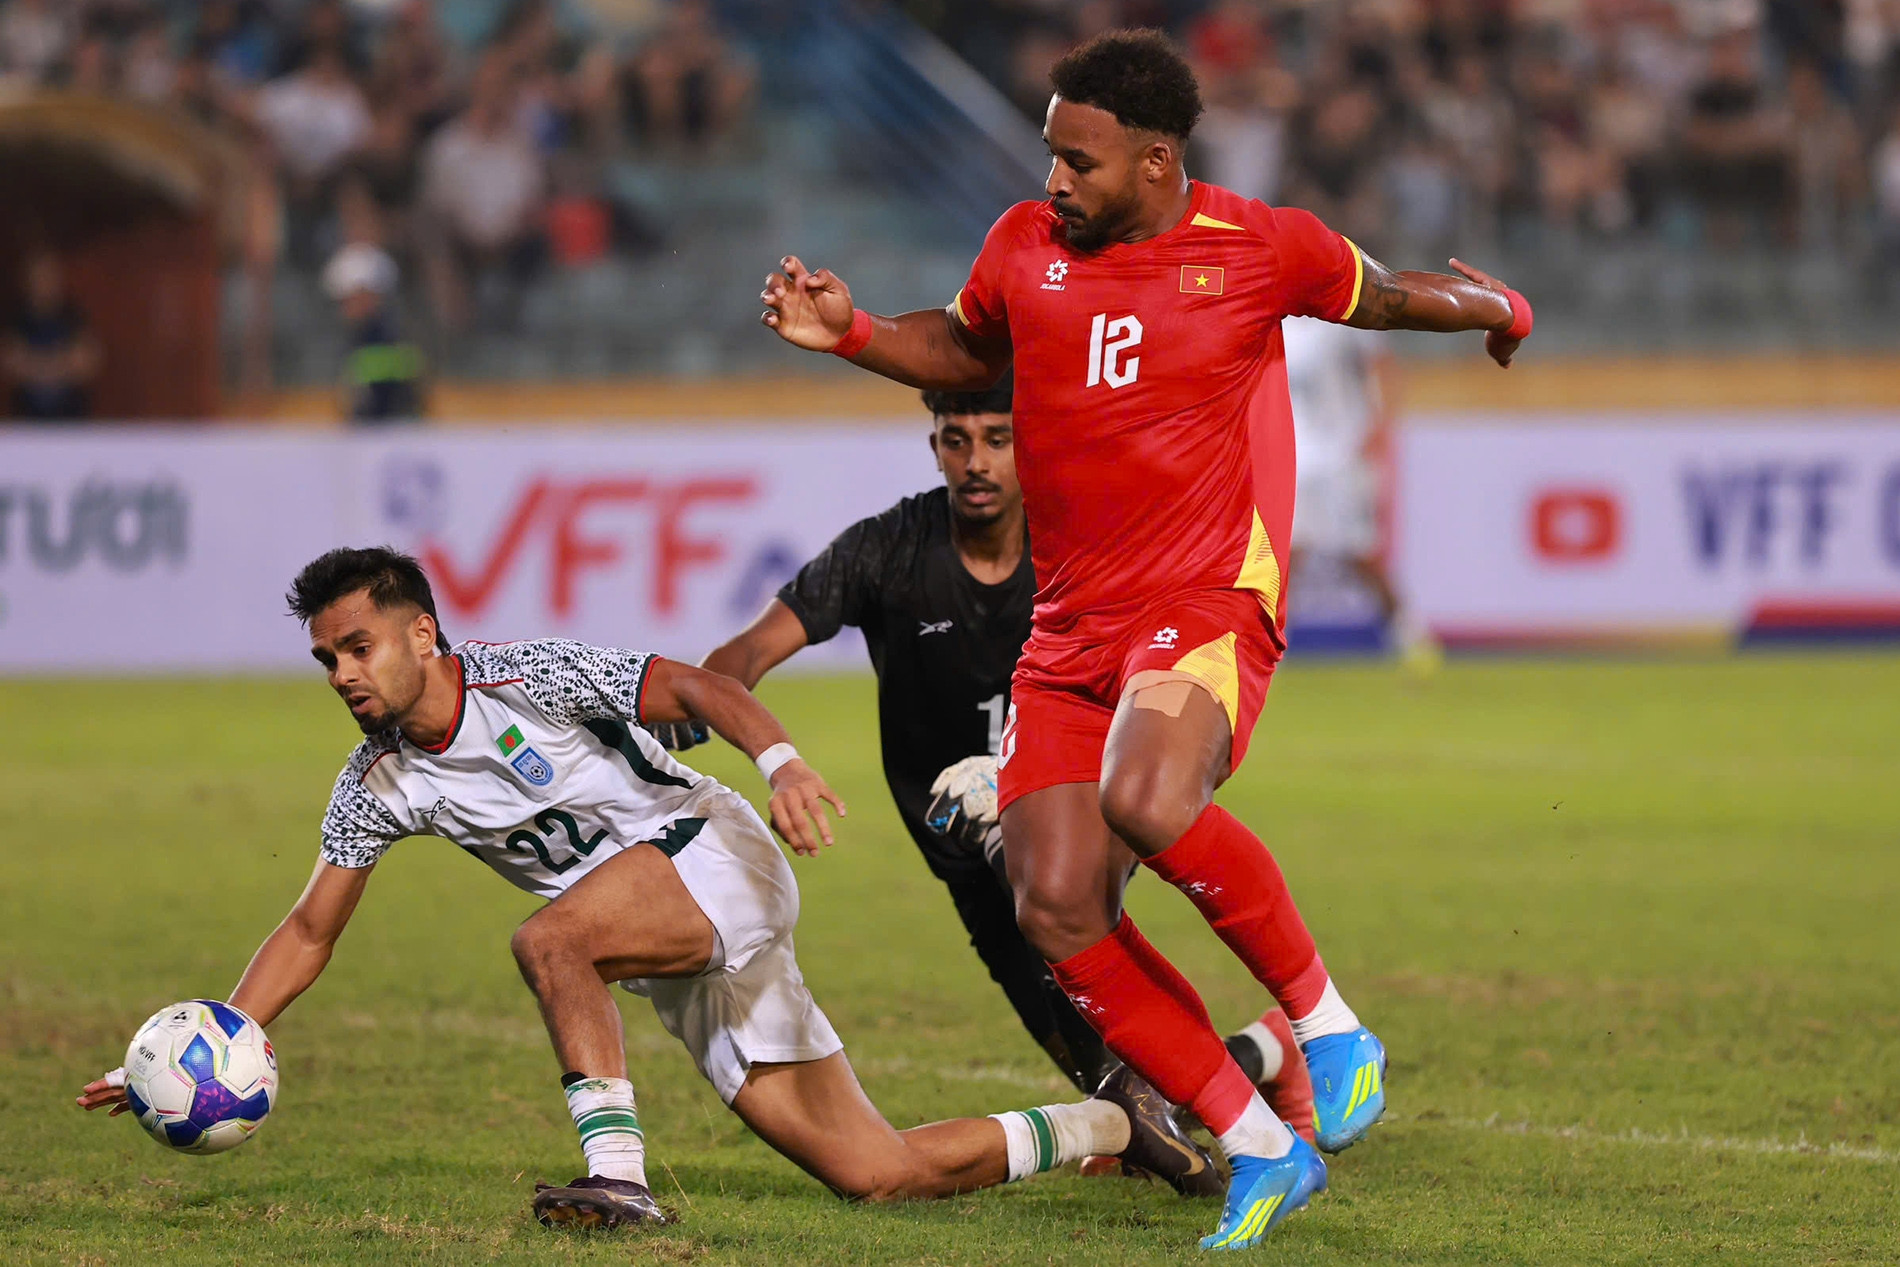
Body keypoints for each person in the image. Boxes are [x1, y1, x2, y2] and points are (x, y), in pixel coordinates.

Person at [758, 29, 1531, 1250]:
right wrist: (852, 330)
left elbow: (1386, 298)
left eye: (1078, 160)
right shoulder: (1023, 246)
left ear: (1157, 160)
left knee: (1147, 795)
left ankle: (1329, 1027)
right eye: (1050, 154)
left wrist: (1495, 302)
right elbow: (965, 350)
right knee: (1053, 899)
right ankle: (1263, 1145)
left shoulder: (1258, 244)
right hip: (1070, 622)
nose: (1052, 180)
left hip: (1207, 595)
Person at [76, 547, 1215, 1229]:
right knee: (876, 1173)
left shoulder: (535, 674)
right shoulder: (378, 781)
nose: (342, 675)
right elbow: (312, 926)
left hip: (710, 851)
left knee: (548, 941)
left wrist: (781, 764)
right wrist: (213, 1048)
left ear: (422, 633)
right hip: (659, 941)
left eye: (358, 647)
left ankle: (614, 1174)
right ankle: (1116, 1119)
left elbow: (694, 687)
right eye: (327, 659)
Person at [654, 373, 1315, 1165]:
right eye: (957, 439)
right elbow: (751, 650)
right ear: (934, 446)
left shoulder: (1081, 542)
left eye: (998, 439)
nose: (976, 461)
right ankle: (1270, 1053)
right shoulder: (887, 550)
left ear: (1029, 441)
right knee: (1132, 1105)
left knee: (1143, 1104)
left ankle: (1256, 1135)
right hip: (960, 852)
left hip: (1068, 814)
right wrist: (699, 702)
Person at [1280, 315, 1436, 666]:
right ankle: (1269, 646)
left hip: (1343, 453)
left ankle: (1408, 632)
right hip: (1296, 457)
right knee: (1287, 554)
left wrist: (1379, 426)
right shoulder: (1280, 325)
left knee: (1360, 554)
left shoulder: (1342, 321)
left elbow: (1381, 367)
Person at [4, 252, 101, 421]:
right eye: (38, 276)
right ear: (27, 280)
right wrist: (61, 365)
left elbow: (87, 363)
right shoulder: (15, 319)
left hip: (71, 420)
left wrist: (35, 366)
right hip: (25, 422)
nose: (44, 283)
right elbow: (10, 364)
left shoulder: (73, 317)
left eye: (48, 276)